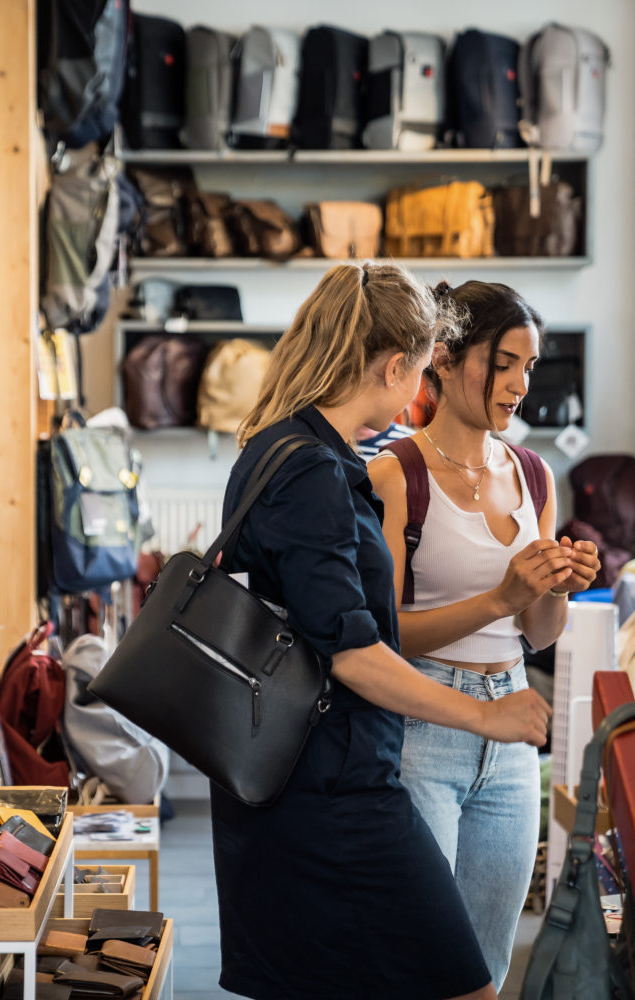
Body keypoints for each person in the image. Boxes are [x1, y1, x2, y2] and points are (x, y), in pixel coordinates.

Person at [211, 262, 552, 1000]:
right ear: (396, 366)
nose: (422, 390)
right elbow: (356, 656)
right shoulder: (315, 474)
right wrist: (484, 714)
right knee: (465, 984)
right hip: (333, 790)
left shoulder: (282, 448)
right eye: (424, 371)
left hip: (313, 774)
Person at [367, 280, 601, 990]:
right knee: (421, 960)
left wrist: (555, 587)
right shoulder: (394, 474)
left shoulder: (533, 474)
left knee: (487, 968)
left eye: (530, 367)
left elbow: (536, 634)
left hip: (510, 734)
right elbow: (380, 638)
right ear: (445, 358)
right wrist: (501, 594)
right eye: (506, 364)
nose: (520, 386)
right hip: (422, 725)